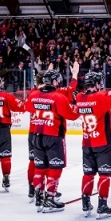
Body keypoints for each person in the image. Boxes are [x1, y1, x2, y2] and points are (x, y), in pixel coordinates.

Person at [24, 69, 80, 213]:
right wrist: (75, 103)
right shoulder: (58, 97)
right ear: (54, 81)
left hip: (36, 135)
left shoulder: (34, 95)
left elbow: (28, 107)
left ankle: (39, 197)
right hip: (53, 136)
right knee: (55, 167)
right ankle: (50, 198)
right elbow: (72, 115)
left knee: (40, 168)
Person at [73, 71, 111, 218]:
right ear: (97, 84)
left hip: (87, 142)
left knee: (88, 174)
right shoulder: (100, 97)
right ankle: (102, 205)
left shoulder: (80, 97)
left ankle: (85, 202)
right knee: (104, 174)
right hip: (103, 143)